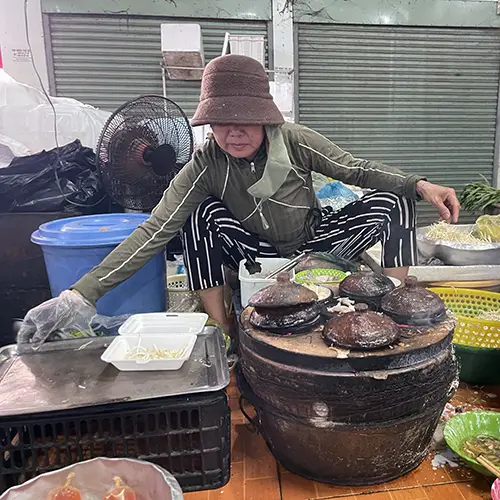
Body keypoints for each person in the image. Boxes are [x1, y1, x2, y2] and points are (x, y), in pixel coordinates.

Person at [18, 54, 460, 346]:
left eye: (246, 121)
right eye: (220, 122)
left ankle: (394, 310)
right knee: (195, 216)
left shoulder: (295, 140)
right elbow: (154, 231)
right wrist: (79, 296)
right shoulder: (206, 164)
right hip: (255, 252)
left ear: (265, 117)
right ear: (208, 123)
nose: (234, 132)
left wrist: (420, 184)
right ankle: (224, 332)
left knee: (395, 199)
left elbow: (356, 169)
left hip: (315, 242)